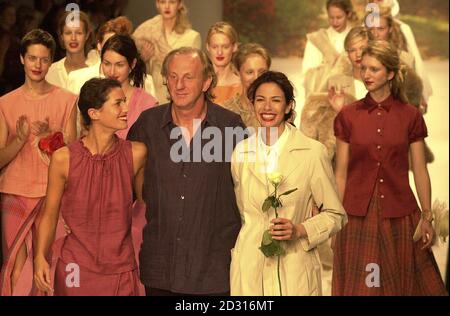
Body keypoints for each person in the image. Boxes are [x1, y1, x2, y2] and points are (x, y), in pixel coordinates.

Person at [127, 47, 245, 296]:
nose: (179, 85)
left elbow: (251, 191)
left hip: (213, 271)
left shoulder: (230, 127)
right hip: (161, 268)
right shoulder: (147, 125)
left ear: (206, 82)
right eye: (172, 76)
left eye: (188, 77)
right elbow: (121, 186)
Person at [332, 40, 447, 295]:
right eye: (364, 68)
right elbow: (340, 173)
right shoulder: (348, 115)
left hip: (400, 213)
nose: (366, 75)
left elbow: (419, 170)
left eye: (374, 69)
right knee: (362, 288)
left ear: (391, 74)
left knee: (403, 286)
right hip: (356, 215)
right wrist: (333, 218)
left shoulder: (410, 115)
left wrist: (427, 216)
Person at [230, 71, 347, 296]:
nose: (267, 107)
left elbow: (336, 214)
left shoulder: (312, 152)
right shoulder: (241, 152)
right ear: (252, 104)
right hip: (250, 266)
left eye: (276, 100)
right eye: (260, 100)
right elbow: (240, 213)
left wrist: (300, 229)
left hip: (295, 267)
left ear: (288, 106)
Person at [33, 78, 147, 296]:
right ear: (94, 113)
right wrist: (40, 257)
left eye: (125, 101)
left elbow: (144, 206)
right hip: (75, 267)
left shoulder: (137, 153)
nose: (126, 108)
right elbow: (50, 213)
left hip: (120, 268)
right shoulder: (63, 159)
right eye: (118, 103)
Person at [0, 29, 77, 296]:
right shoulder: (5, 104)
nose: (37, 65)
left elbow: (72, 157)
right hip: (15, 191)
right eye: (32, 58)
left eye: (43, 60)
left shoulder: (67, 101)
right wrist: (19, 140)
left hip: (52, 194)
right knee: (17, 265)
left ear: (51, 61)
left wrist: (51, 138)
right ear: (22, 59)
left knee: (49, 264)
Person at [100, 34, 157, 296]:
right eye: (107, 63)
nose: (112, 71)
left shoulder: (147, 104)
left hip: (134, 197)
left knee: (131, 257)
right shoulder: (91, 97)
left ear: (132, 64)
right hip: (97, 191)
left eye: (119, 64)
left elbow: (151, 155)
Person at [301, 26, 369, 161]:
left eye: (362, 48)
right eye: (352, 50)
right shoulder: (336, 83)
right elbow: (320, 121)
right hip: (344, 155)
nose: (358, 54)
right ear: (347, 53)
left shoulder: (382, 83)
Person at [366, 0, 432, 110]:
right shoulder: (361, 53)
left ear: (390, 29)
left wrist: (421, 96)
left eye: (381, 29)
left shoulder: (404, 56)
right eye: (371, 29)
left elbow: (416, 71)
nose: (375, 34)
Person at [133, 0, 201, 104]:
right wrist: (143, 59)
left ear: (179, 4)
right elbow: (133, 70)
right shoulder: (146, 33)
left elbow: (194, 73)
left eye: (172, 2)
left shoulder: (191, 37)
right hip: (152, 94)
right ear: (157, 4)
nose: (167, 6)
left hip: (180, 95)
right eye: (163, 2)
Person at [68, 16, 155, 96]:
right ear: (99, 45)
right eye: (108, 44)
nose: (113, 50)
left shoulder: (146, 82)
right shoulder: (77, 79)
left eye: (117, 45)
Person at [302, 0, 358, 98]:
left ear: (348, 14)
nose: (335, 22)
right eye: (331, 17)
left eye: (339, 17)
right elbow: (308, 74)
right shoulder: (317, 39)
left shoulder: (358, 38)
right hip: (324, 95)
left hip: (354, 94)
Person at [223, 43, 271, 131]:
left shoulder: (278, 110)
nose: (256, 78)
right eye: (249, 72)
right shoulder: (225, 112)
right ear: (238, 72)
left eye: (262, 72)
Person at [45, 10, 95, 91]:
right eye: (68, 33)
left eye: (78, 33)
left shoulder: (95, 72)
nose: (73, 38)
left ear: (87, 35)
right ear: (61, 36)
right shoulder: (50, 72)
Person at [206, 21, 241, 106]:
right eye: (215, 47)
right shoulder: (200, 83)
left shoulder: (241, 86)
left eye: (225, 47)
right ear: (208, 47)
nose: (219, 52)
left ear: (234, 47)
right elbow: (195, 117)